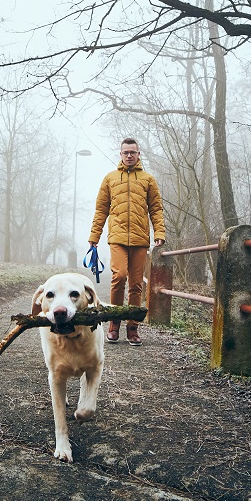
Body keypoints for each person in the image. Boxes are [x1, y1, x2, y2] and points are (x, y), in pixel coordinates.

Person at [88, 137, 166, 346]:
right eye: (126, 152)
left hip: (140, 239)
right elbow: (101, 210)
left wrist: (159, 232)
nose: (129, 155)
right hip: (118, 238)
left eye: (133, 152)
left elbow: (156, 209)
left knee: (136, 284)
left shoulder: (148, 179)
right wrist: (94, 237)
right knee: (119, 276)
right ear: (121, 154)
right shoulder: (110, 179)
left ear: (138, 154)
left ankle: (132, 328)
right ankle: (114, 324)